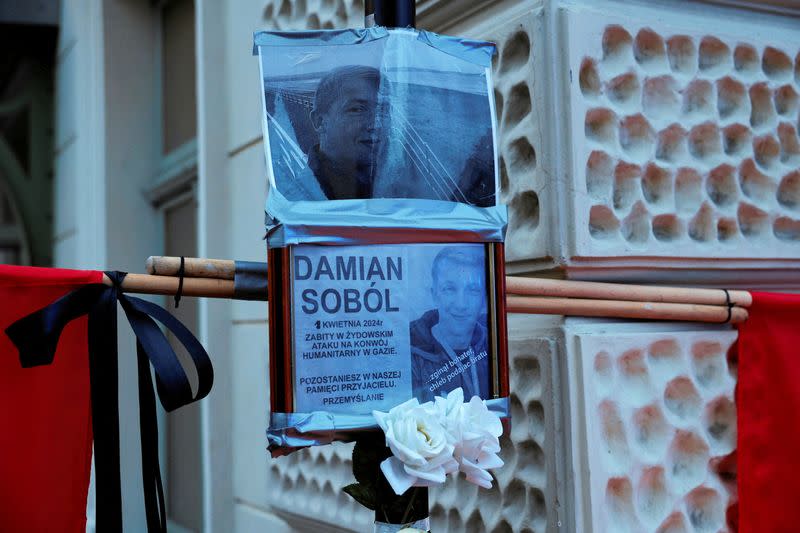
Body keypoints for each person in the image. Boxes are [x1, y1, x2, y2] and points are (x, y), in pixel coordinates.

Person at [279, 65, 384, 201]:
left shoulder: (391, 185)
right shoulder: (301, 201)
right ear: (319, 121)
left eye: (383, 110)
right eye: (358, 110)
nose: (377, 124)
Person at [410, 246, 490, 403]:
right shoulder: (410, 355)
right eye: (450, 289)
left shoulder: (494, 347)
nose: (461, 304)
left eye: (472, 290)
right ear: (434, 295)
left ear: (483, 300)